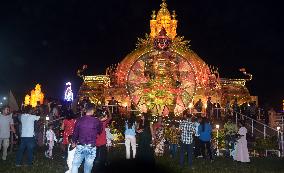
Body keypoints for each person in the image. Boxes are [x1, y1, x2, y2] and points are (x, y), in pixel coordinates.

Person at [71, 103, 102, 173]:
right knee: (87, 169)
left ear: (85, 110)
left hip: (80, 146)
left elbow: (75, 133)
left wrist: (73, 142)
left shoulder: (79, 120)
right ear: (93, 110)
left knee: (75, 165)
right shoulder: (96, 121)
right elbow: (100, 131)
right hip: (91, 147)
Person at [95, 106, 112, 172]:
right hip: (102, 141)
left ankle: (95, 165)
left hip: (96, 141)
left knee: (96, 154)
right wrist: (108, 110)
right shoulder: (103, 122)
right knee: (103, 155)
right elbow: (110, 117)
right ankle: (103, 165)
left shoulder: (94, 122)